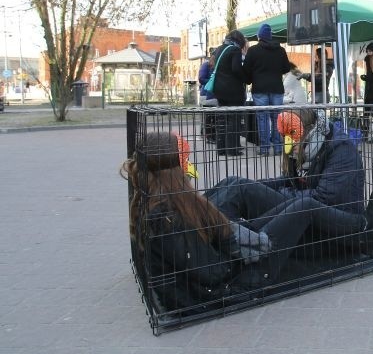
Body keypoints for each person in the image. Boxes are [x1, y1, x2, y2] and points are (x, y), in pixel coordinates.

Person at [122, 132, 315, 311]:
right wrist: (233, 243)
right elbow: (215, 273)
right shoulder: (168, 218)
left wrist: (233, 233)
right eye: (185, 160)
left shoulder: (156, 202)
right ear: (174, 171)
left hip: (214, 278)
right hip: (225, 291)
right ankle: (342, 241)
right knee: (304, 206)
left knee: (285, 207)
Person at [205, 108, 373, 241]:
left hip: (328, 224)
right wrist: (258, 186)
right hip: (303, 210)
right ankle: (200, 222)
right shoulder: (305, 147)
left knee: (242, 190)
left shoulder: (341, 150)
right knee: (235, 183)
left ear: (310, 131)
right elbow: (291, 181)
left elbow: (323, 199)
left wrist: (275, 192)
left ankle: (220, 234)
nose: (289, 144)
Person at [243, 24, 292, 156]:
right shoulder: (280, 50)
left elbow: (246, 70)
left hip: (259, 89)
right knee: (277, 118)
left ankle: (264, 148)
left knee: (262, 118)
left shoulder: (253, 51)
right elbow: (287, 68)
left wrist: (251, 77)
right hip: (277, 88)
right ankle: (277, 148)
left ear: (259, 36)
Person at [211, 30, 248, 156]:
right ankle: (232, 149)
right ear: (239, 40)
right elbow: (236, 68)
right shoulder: (234, 50)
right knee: (234, 119)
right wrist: (245, 78)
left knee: (222, 118)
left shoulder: (219, 49)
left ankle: (221, 149)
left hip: (219, 90)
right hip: (232, 90)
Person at [361, 42, 373, 143]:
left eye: (370, 51)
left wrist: (369, 78)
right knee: (366, 113)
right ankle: (365, 134)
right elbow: (370, 75)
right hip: (368, 91)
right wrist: (366, 78)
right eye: (367, 51)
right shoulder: (368, 60)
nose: (368, 53)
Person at [197, 48, 218, 143]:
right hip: (205, 94)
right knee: (208, 117)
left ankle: (209, 135)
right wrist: (212, 81)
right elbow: (201, 79)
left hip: (213, 94)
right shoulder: (206, 65)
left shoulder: (216, 65)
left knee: (211, 117)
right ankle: (207, 136)